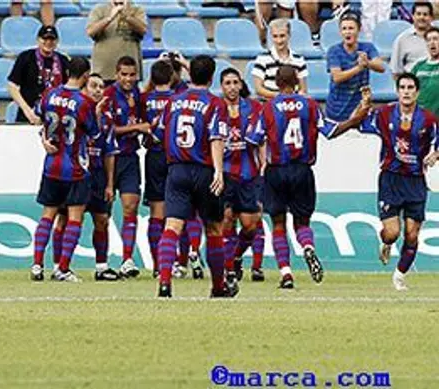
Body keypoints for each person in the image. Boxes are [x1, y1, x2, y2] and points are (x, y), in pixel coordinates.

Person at [246, 65, 365, 289]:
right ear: (297, 82)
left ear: (277, 84)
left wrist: (259, 163)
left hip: (276, 171)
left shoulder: (268, 108)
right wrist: (353, 121)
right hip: (302, 169)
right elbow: (330, 131)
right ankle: (308, 247)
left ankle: (286, 273)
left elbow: (253, 139)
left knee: (278, 223)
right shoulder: (310, 106)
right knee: (302, 221)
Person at [340, 75, 439, 291]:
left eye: (410, 87)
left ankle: (399, 276)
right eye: (402, 87)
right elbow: (358, 123)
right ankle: (386, 242)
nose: (406, 91)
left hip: (415, 181)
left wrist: (435, 155)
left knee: (412, 234)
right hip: (390, 179)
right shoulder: (384, 114)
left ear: (417, 92)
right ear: (397, 91)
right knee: (393, 232)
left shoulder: (429, 120)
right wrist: (364, 105)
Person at [156, 55, 227, 298]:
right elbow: (216, 137)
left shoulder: (173, 101)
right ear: (212, 76)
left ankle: (165, 282)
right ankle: (218, 287)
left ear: (189, 75)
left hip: (177, 170)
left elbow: (158, 132)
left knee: (172, 226)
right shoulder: (215, 103)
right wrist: (219, 170)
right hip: (204, 169)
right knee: (214, 228)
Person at [30, 57, 101, 282]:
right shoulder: (84, 103)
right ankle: (62, 268)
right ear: (86, 76)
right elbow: (94, 133)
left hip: (51, 165)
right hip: (75, 167)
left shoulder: (50, 94)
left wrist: (44, 139)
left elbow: (39, 118)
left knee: (47, 215)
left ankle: (37, 265)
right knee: (74, 218)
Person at [48, 73, 121, 282]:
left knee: (102, 220)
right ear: (84, 88)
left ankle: (101, 267)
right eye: (93, 86)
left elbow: (109, 153)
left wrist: (109, 183)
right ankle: (58, 266)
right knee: (64, 219)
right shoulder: (77, 110)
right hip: (73, 172)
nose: (98, 90)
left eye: (101, 87)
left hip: (96, 175)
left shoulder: (107, 119)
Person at [220, 67, 265, 296]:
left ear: (240, 85)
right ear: (221, 87)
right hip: (225, 174)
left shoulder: (254, 108)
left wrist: (264, 163)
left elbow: (262, 137)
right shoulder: (216, 109)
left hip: (249, 174)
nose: (232, 87)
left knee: (250, 225)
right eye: (227, 83)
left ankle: (236, 256)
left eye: (235, 82)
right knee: (226, 220)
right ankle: (228, 270)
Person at [103, 55, 149, 278]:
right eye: (124, 74)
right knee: (103, 214)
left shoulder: (138, 95)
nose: (129, 79)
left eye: (132, 75)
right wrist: (140, 127)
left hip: (130, 157)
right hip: (110, 158)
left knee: (131, 207)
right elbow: (109, 129)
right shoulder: (109, 95)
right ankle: (101, 262)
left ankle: (127, 259)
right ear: (116, 75)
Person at [141, 60, 174, 279]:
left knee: (157, 212)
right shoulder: (179, 98)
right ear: (171, 77)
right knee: (179, 213)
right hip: (175, 157)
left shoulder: (144, 99)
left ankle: (156, 264)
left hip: (153, 156)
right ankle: (178, 262)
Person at [326, 10, 384, 123]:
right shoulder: (334, 51)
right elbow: (337, 77)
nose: (347, 32)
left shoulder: (368, 47)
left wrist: (368, 63)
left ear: (359, 29)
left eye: (351, 28)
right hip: (337, 108)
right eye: (344, 29)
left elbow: (381, 67)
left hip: (360, 107)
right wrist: (359, 68)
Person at [7, 25, 70, 124]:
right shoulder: (25, 57)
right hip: (28, 115)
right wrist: (27, 110)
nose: (48, 42)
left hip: (55, 116)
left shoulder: (63, 61)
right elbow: (12, 86)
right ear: (38, 40)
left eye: (52, 39)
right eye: (44, 38)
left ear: (57, 41)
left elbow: (68, 87)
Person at [86, 0, 147, 85]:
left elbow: (143, 30)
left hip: (129, 72)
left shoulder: (136, 10)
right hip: (103, 71)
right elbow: (90, 31)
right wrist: (109, 18)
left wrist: (128, 17)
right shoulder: (99, 10)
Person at [252, 18, 308, 100]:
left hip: (293, 103)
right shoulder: (262, 59)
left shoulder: (299, 59)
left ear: (289, 35)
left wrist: (291, 98)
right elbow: (258, 89)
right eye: (275, 36)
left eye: (282, 36)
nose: (279, 41)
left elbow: (303, 88)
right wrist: (280, 97)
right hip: (270, 103)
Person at [391, 1, 434, 78]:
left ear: (431, 17)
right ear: (413, 16)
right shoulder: (402, 39)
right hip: (413, 84)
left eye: (425, 14)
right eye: (418, 14)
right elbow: (396, 72)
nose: (421, 17)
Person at [411, 26, 439, 116]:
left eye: (435, 39)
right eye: (428, 40)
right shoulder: (418, 66)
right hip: (421, 119)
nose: (432, 43)